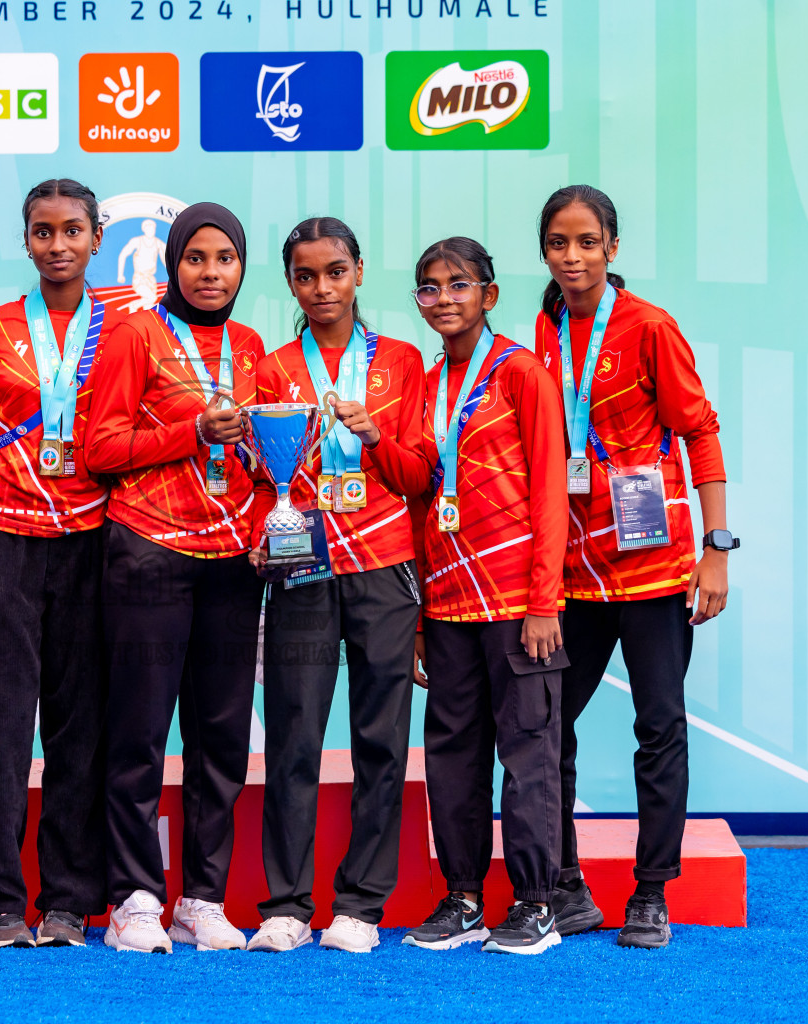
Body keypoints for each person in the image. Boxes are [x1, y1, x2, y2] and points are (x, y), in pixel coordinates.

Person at [533, 185, 735, 949]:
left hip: (654, 575)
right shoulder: (543, 335)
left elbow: (701, 433)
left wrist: (716, 552)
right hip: (576, 577)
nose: (573, 256)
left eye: (588, 241)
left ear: (613, 247)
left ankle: (651, 893)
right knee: (544, 728)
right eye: (559, 242)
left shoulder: (649, 326)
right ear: (545, 251)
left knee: (658, 728)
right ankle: (567, 882)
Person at [244, 217, 431, 955]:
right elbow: (260, 481)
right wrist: (267, 528)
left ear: (359, 271)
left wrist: (379, 437)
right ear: (290, 282)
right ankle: (286, 905)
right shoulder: (271, 367)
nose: (321, 288)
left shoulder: (404, 363)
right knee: (293, 736)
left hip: (384, 567)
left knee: (380, 740)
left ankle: (360, 905)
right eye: (305, 276)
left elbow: (420, 478)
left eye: (335, 272)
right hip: (303, 568)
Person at [82, 203, 266, 954]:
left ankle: (202, 897)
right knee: (137, 734)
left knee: (221, 737)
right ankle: (133, 898)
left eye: (225, 258)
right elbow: (100, 446)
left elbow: (272, 460)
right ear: (173, 266)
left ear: (241, 268)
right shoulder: (136, 333)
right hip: (150, 553)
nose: (211, 272)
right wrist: (192, 431)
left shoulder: (254, 347)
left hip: (232, 564)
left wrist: (267, 522)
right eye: (197, 258)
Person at [0, 179, 127, 949]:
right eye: (42, 232)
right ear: (25, 241)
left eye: (72, 231)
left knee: (80, 725)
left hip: (90, 541)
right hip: (1, 541)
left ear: (97, 237)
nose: (57, 245)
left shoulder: (126, 331)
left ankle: (68, 901)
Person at [399, 237, 568, 955]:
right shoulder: (429, 383)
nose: (444, 299)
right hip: (445, 603)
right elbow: (414, 496)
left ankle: (535, 905)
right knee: (452, 755)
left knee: (528, 754)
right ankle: (462, 897)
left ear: (489, 295)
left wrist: (543, 603)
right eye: (430, 288)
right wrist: (417, 617)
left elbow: (552, 489)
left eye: (459, 284)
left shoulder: (520, 373)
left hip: (515, 604)